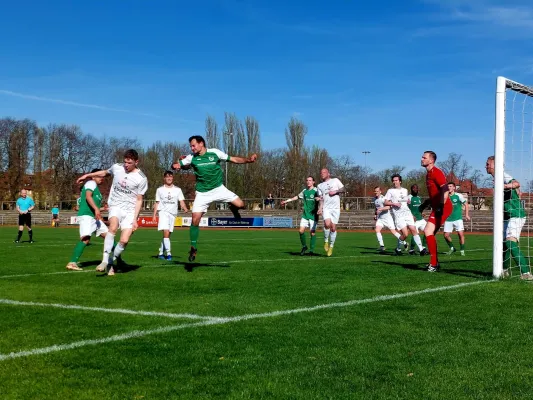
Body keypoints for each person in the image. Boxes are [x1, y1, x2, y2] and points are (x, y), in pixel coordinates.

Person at [171, 135, 257, 262]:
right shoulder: (192, 157)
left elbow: (233, 159)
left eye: (193, 145)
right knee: (195, 219)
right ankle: (193, 247)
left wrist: (248, 160)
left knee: (241, 204)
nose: (192, 148)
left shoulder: (215, 153)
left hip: (218, 189)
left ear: (201, 144)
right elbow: (178, 165)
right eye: (191, 146)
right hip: (202, 193)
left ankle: (233, 207)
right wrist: (176, 166)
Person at [76, 149, 148, 276]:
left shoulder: (141, 178)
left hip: (130, 211)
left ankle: (110, 262)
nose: (126, 165)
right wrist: (87, 175)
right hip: (116, 206)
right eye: (125, 162)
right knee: (113, 227)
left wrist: (135, 219)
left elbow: (139, 199)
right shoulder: (117, 167)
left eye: (129, 163)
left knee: (124, 240)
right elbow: (104, 173)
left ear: (136, 162)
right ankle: (104, 261)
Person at [485, 156, 533, 280]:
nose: (486, 166)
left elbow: (517, 183)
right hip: (507, 215)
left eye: (488, 164)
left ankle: (526, 273)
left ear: (496, 165)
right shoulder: (496, 178)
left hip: (516, 214)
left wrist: (506, 186)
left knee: (510, 242)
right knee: (504, 244)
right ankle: (504, 270)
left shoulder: (502, 175)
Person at [66, 169, 112, 271]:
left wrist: (101, 209)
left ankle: (119, 260)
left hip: (93, 218)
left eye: (102, 177)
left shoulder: (97, 189)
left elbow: (92, 204)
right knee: (85, 239)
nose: (102, 178)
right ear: (93, 176)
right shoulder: (91, 183)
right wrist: (96, 209)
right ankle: (72, 262)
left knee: (109, 237)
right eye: (100, 176)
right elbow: (88, 197)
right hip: (86, 216)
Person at [420, 151, 452, 272]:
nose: (422, 159)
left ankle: (433, 264)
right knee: (430, 234)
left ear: (431, 160)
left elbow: (445, 189)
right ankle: (435, 263)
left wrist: (440, 206)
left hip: (444, 206)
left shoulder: (436, 172)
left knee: (428, 230)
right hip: (437, 206)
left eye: (424, 157)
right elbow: (434, 194)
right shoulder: (428, 174)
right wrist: (425, 204)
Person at [384, 174, 428, 256]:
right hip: (398, 215)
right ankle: (398, 249)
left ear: (400, 181)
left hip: (407, 213)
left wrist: (407, 201)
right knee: (405, 234)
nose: (395, 182)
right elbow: (385, 202)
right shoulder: (390, 191)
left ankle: (421, 249)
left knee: (413, 229)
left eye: (396, 180)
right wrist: (394, 203)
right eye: (393, 180)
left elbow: (405, 200)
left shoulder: (405, 190)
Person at [153, 170, 188, 261]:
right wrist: (154, 215)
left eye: (171, 176)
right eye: (167, 176)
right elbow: (157, 203)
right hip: (163, 212)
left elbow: (181, 201)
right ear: (164, 178)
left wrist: (185, 208)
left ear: (173, 178)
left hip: (173, 214)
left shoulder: (178, 190)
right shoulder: (159, 190)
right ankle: (169, 254)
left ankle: (160, 253)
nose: (169, 178)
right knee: (166, 232)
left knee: (167, 235)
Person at [281, 176, 320, 256]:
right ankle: (304, 246)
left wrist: (320, 200)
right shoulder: (304, 191)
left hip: (313, 215)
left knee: (312, 233)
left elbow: (322, 197)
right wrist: (286, 201)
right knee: (301, 231)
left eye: (310, 180)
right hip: (305, 215)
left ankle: (311, 251)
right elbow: (297, 197)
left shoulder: (316, 190)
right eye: (307, 180)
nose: (308, 182)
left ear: (313, 182)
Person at [317, 168, 345, 257]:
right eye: (321, 173)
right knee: (327, 224)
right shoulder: (319, 186)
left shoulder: (335, 180)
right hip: (326, 208)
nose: (322, 174)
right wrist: (320, 208)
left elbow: (343, 189)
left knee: (333, 228)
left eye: (324, 172)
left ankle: (331, 246)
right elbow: (321, 199)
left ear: (328, 173)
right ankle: (326, 241)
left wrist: (336, 191)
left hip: (336, 208)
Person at [373, 186, 407, 253]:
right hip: (380, 218)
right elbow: (376, 208)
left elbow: (388, 207)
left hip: (387, 218)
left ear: (380, 191)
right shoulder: (375, 199)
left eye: (377, 191)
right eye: (375, 191)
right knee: (377, 230)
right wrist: (375, 214)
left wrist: (381, 209)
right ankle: (382, 246)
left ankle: (404, 242)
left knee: (393, 232)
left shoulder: (383, 199)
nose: (376, 192)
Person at [443, 182, 470, 256]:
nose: (449, 187)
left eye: (451, 186)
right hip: (448, 219)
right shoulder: (445, 196)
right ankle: (452, 248)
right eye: (448, 186)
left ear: (454, 188)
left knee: (460, 234)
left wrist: (466, 215)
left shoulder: (458, 196)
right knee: (446, 235)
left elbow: (466, 204)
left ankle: (462, 250)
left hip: (458, 218)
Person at [407, 184, 427, 255]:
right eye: (414, 188)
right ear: (411, 189)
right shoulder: (409, 198)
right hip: (413, 220)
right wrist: (411, 216)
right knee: (415, 234)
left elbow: (419, 208)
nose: (415, 190)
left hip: (421, 219)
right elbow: (406, 209)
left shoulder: (418, 198)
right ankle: (411, 249)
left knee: (428, 232)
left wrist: (422, 213)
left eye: (416, 188)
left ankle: (423, 247)